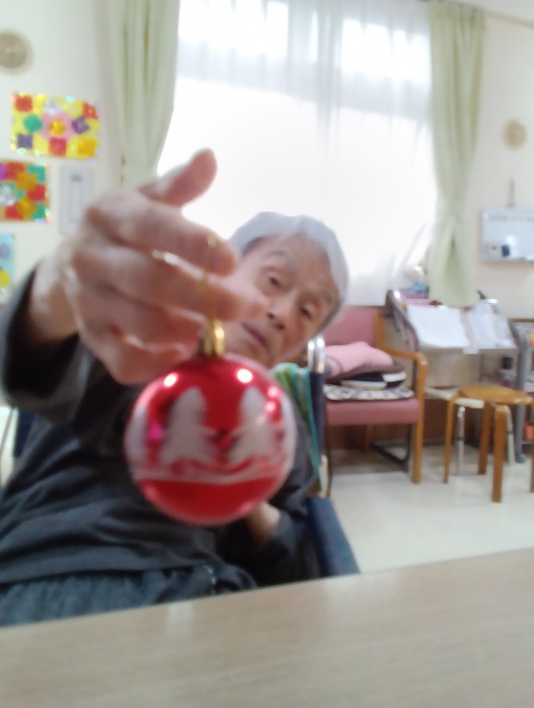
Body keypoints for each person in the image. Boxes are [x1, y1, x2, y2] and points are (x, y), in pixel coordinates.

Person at [0, 150, 348, 627]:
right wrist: (51, 293)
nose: (282, 313)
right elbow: (24, 367)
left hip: (207, 592)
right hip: (58, 576)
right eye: (273, 280)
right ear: (224, 272)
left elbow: (293, 564)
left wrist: (250, 497)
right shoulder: (129, 339)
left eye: (308, 312)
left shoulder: (280, 424)